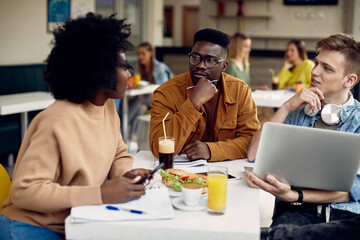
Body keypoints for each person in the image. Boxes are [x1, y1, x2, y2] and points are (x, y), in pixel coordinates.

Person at [0, 13, 151, 240]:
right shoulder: (56, 121)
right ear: (99, 70)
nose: (130, 74)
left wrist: (124, 175)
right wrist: (101, 193)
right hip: (29, 226)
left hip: (74, 223)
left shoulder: (108, 107)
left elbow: (119, 153)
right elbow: (25, 191)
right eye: (124, 66)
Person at [245, 33, 360, 239]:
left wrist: (295, 195)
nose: (314, 72)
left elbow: (354, 190)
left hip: (346, 214)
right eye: (317, 63)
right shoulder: (297, 113)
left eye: (327, 68)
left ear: (349, 80)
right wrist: (287, 106)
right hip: (296, 211)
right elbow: (253, 154)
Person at [149, 28, 260, 162]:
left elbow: (251, 142)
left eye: (210, 60)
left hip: (226, 174)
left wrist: (211, 150)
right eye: (195, 57)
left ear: (224, 66)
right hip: (178, 175)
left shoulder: (240, 90)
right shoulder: (166, 92)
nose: (201, 65)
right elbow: (157, 147)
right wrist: (193, 104)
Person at [128, 42, 173, 142]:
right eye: (138, 54)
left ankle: (122, 125)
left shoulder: (159, 68)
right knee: (140, 108)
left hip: (161, 101)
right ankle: (132, 139)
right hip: (146, 101)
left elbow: (164, 89)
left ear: (151, 53)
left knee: (141, 100)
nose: (140, 56)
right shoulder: (138, 68)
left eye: (143, 53)